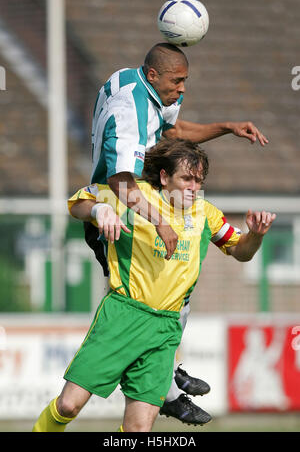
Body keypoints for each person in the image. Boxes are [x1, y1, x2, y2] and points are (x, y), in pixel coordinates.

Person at [32, 138, 276, 432]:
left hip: (165, 329)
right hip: (123, 315)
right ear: (164, 177)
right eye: (186, 178)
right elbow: (77, 202)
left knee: (138, 430)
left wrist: (256, 235)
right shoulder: (133, 196)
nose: (193, 187)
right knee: (68, 406)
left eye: (199, 180)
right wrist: (100, 211)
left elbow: (241, 252)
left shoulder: (206, 213)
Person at [84, 42, 269, 422]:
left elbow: (174, 131)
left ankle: (163, 374)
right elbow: (120, 181)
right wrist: (160, 220)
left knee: (174, 292)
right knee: (147, 300)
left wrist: (227, 128)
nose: (182, 88)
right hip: (120, 212)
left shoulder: (132, 83)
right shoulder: (131, 109)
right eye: (177, 81)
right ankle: (163, 384)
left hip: (137, 203)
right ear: (154, 75)